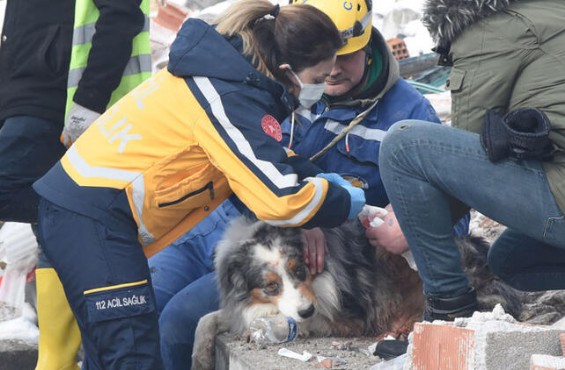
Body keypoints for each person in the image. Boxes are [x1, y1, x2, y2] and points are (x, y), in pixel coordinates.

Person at [32, 0, 363, 368]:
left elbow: (254, 163)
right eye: (317, 80)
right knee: (132, 355)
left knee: (109, 352)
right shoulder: (228, 97)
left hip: (79, 211)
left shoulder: (223, 75)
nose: (316, 90)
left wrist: (311, 178)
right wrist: (341, 200)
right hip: (91, 219)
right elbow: (279, 199)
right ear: (287, 71)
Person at [150, 0, 471, 368]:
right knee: (142, 303)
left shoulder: (409, 114)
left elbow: (457, 213)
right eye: (319, 65)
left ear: (367, 45)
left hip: (283, 265)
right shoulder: (269, 84)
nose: (331, 71)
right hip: (213, 227)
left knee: (177, 321)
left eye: (344, 56)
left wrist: (409, 225)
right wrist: (302, 213)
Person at [379, 0, 565, 323]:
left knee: (403, 145)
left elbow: (457, 176)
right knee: (510, 261)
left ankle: (447, 310)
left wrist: (403, 222)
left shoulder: (484, 30)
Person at [0, 0, 152, 369]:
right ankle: (58, 361)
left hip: (58, 105)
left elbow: (122, 15)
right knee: (58, 229)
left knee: (64, 219)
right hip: (31, 104)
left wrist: (90, 101)